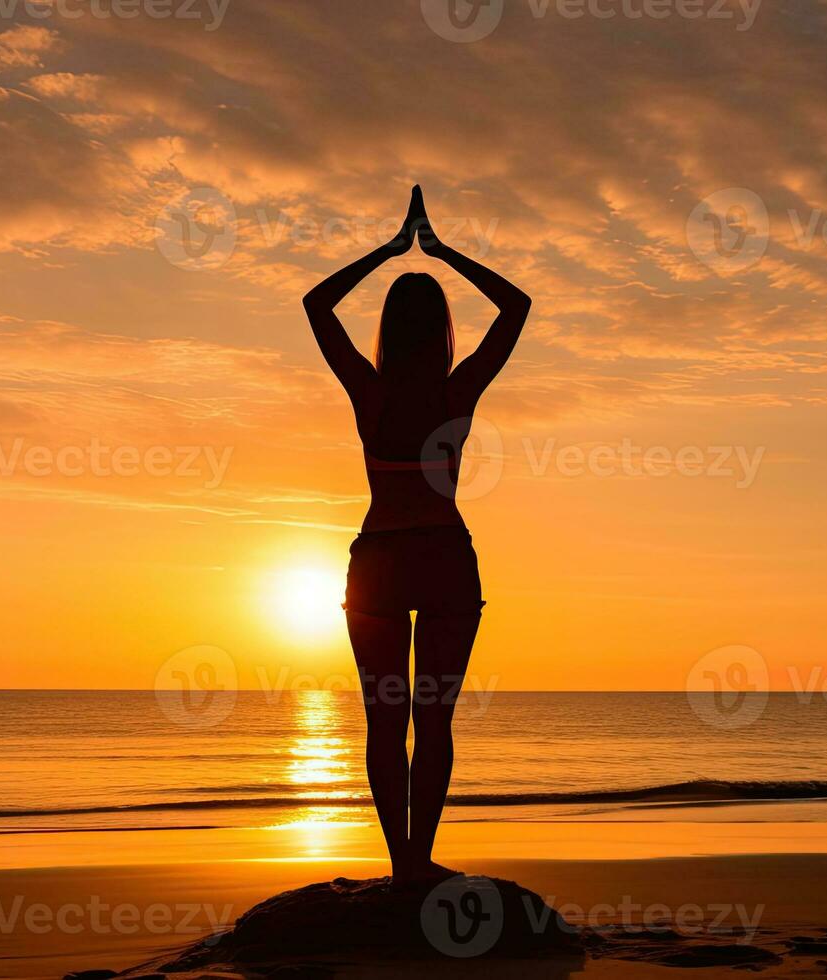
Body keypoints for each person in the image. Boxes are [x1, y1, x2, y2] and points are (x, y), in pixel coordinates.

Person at [301, 185, 531, 884]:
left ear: (388, 330)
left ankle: (402, 862)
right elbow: (515, 307)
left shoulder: (368, 393)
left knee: (383, 723)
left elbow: (316, 305)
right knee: (432, 721)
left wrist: (388, 250)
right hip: (440, 556)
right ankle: (416, 864)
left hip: (379, 560)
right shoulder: (454, 392)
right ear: (440, 331)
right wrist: (440, 251)